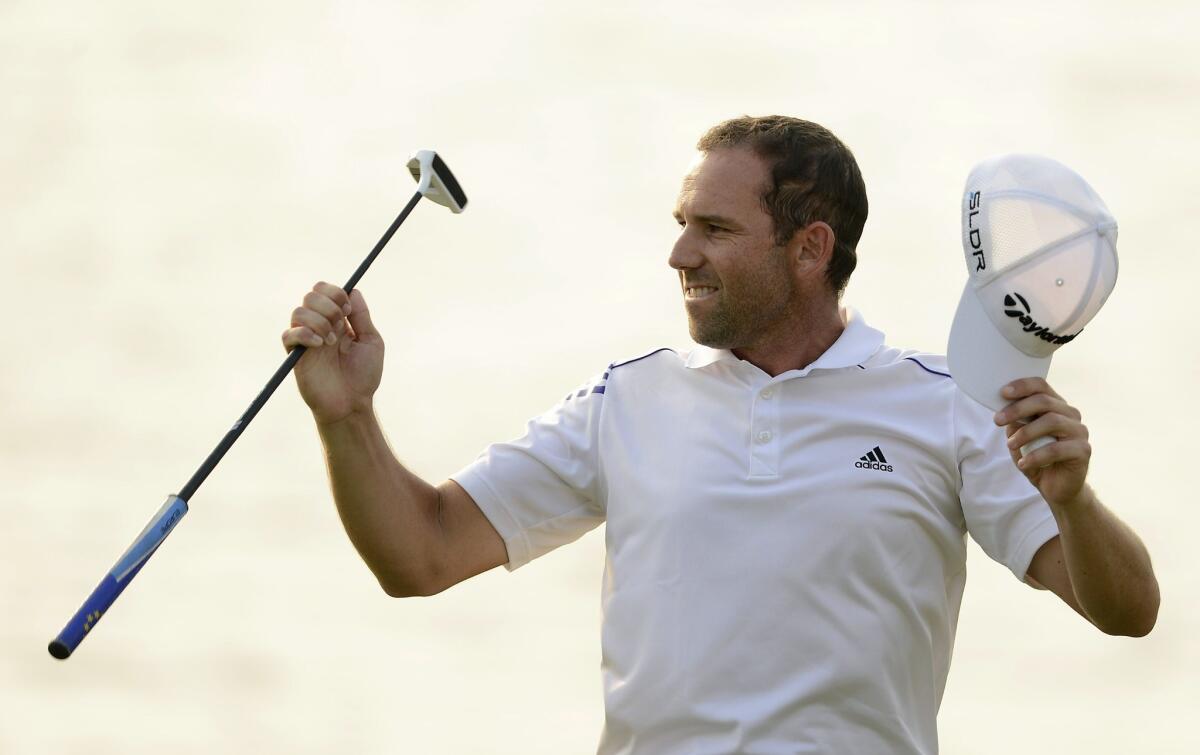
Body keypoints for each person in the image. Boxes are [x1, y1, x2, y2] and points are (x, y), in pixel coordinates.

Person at [281, 116, 1160, 755]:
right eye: (681, 225)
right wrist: (346, 415)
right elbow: (420, 554)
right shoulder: (625, 401)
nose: (680, 256)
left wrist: (1074, 502)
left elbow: (1127, 609)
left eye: (715, 229)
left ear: (810, 249)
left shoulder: (945, 405)